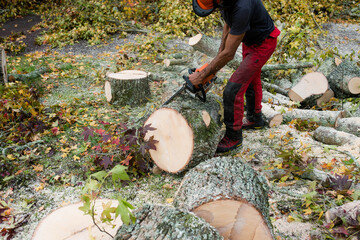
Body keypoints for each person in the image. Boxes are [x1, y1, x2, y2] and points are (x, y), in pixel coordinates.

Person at [189, 0, 280, 153]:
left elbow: (229, 54)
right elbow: (228, 24)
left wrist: (204, 74)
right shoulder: (225, 3)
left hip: (264, 43)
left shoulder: (242, 7)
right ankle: (255, 118)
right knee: (250, 79)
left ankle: (234, 137)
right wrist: (219, 53)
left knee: (232, 90)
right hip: (250, 40)